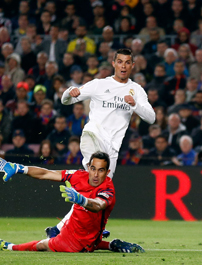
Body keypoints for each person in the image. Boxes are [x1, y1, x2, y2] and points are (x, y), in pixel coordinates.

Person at [51, 48, 155, 237]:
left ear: (132, 65)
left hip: (112, 148)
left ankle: (63, 229)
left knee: (100, 189)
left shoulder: (137, 90)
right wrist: (69, 91)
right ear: (114, 63)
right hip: (93, 136)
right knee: (94, 184)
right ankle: (67, 230)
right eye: (120, 62)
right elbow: (66, 100)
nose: (123, 66)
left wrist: (135, 105)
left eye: (127, 62)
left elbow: (151, 118)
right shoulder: (99, 85)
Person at [0, 151, 144, 253]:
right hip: (80, 231)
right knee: (85, 238)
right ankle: (110, 245)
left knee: (42, 245)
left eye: (100, 170)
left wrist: (81, 200)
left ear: (107, 172)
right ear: (88, 167)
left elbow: (98, 205)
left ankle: (11, 247)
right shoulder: (77, 175)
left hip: (75, 243)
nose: (95, 174)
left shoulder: (108, 188)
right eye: (93, 169)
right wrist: (20, 168)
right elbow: (46, 173)